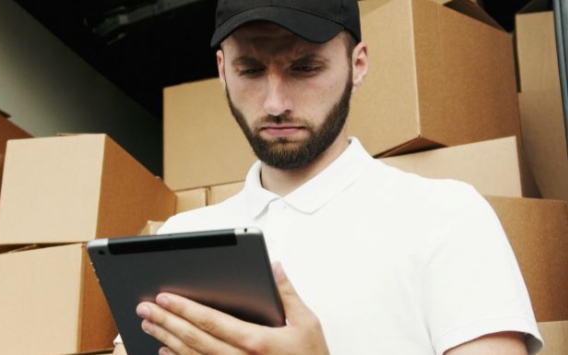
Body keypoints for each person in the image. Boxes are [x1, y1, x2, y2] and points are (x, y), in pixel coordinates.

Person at [112, 0, 543, 354]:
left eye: (305, 68)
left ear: (358, 65)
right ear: (223, 70)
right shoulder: (178, 238)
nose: (276, 102)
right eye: (251, 70)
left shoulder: (447, 216)